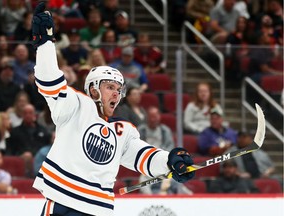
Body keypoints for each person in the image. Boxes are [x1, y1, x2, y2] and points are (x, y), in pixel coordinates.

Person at [31, 3, 195, 215]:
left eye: (119, 89)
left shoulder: (122, 131)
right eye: (110, 87)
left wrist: (171, 162)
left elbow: (144, 158)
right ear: (93, 89)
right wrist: (45, 44)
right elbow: (49, 81)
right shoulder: (75, 106)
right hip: (63, 202)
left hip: (99, 208)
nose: (116, 94)